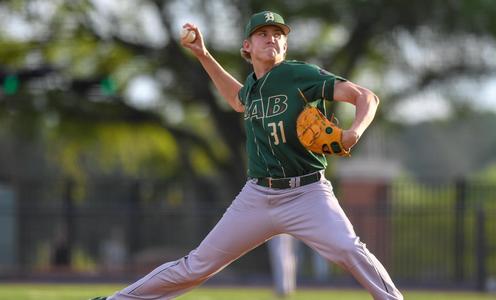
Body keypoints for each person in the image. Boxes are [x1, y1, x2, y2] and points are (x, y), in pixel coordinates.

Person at [91, 10, 403, 300]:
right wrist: (203, 54)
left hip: (308, 193)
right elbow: (238, 100)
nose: (272, 38)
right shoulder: (254, 86)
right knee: (197, 264)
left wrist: (354, 131)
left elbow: (366, 96)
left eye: (278, 33)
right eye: (263, 33)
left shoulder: (297, 75)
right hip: (258, 195)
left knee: (349, 250)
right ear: (247, 45)